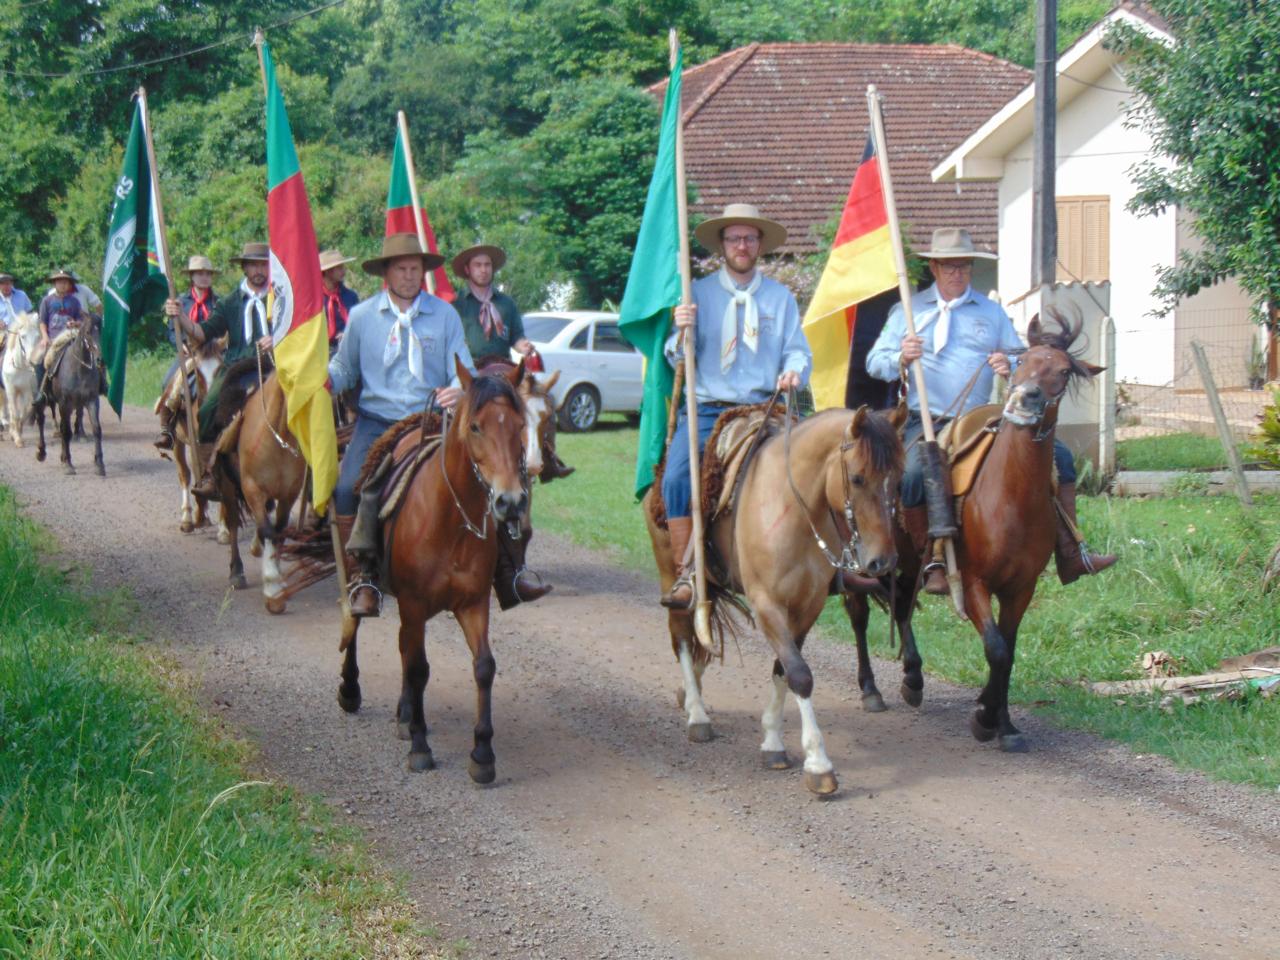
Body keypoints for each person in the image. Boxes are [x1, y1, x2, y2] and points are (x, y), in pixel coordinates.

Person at [866, 227, 1116, 595]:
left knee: (1061, 457)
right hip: (927, 418)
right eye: (949, 267)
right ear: (934, 268)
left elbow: (1020, 359)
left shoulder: (991, 312)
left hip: (981, 416)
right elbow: (874, 362)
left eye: (964, 266)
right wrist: (900, 357)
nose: (958, 274)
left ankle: (1070, 551)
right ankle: (931, 561)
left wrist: (1007, 364)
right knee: (916, 474)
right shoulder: (907, 310)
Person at [660, 202, 813, 610]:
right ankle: (688, 572)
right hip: (709, 409)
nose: (741, 245)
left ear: (760, 244)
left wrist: (794, 371)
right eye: (733, 238)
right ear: (722, 245)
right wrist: (682, 332)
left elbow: (797, 350)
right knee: (676, 477)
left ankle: (826, 562)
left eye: (749, 238)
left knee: (817, 467)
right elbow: (676, 358)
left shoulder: (780, 298)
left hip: (766, 409)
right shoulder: (697, 295)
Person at [452, 242, 573, 482]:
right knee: (452, 407)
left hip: (503, 373)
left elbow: (516, 336)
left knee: (542, 400)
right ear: (467, 269)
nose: (483, 270)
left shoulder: (506, 304)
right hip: (472, 374)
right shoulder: (457, 305)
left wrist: (522, 346)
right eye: (478, 265)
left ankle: (547, 459)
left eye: (487, 265)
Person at [164, 242, 273, 496]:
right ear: (244, 268)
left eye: (263, 265)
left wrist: (277, 339)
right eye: (253, 265)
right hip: (237, 367)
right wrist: (180, 316)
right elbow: (203, 332)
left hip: (274, 365)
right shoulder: (229, 303)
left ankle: (310, 476)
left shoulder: (279, 297)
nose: (259, 270)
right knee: (206, 411)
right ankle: (211, 473)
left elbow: (294, 327)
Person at [154, 255, 221, 451]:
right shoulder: (179, 302)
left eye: (207, 274)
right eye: (200, 273)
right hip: (189, 354)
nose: (204, 277)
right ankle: (167, 430)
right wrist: (180, 344)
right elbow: (171, 330)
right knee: (168, 382)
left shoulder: (219, 303)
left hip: (214, 353)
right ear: (192, 276)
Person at [35, 268, 89, 403]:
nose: (63, 285)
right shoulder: (47, 301)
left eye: (65, 282)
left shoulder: (75, 302)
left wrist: (75, 323)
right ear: (54, 284)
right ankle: (41, 392)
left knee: (92, 352)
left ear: (69, 284)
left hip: (72, 337)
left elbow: (81, 320)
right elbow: (42, 321)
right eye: (59, 282)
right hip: (53, 339)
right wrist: (45, 337)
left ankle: (99, 384)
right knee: (39, 360)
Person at [319, 248, 359, 354]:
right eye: (340, 268)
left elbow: (358, 324)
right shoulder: (316, 300)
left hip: (347, 350)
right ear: (328, 271)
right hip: (322, 353)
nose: (344, 271)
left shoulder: (351, 296)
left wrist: (348, 334)